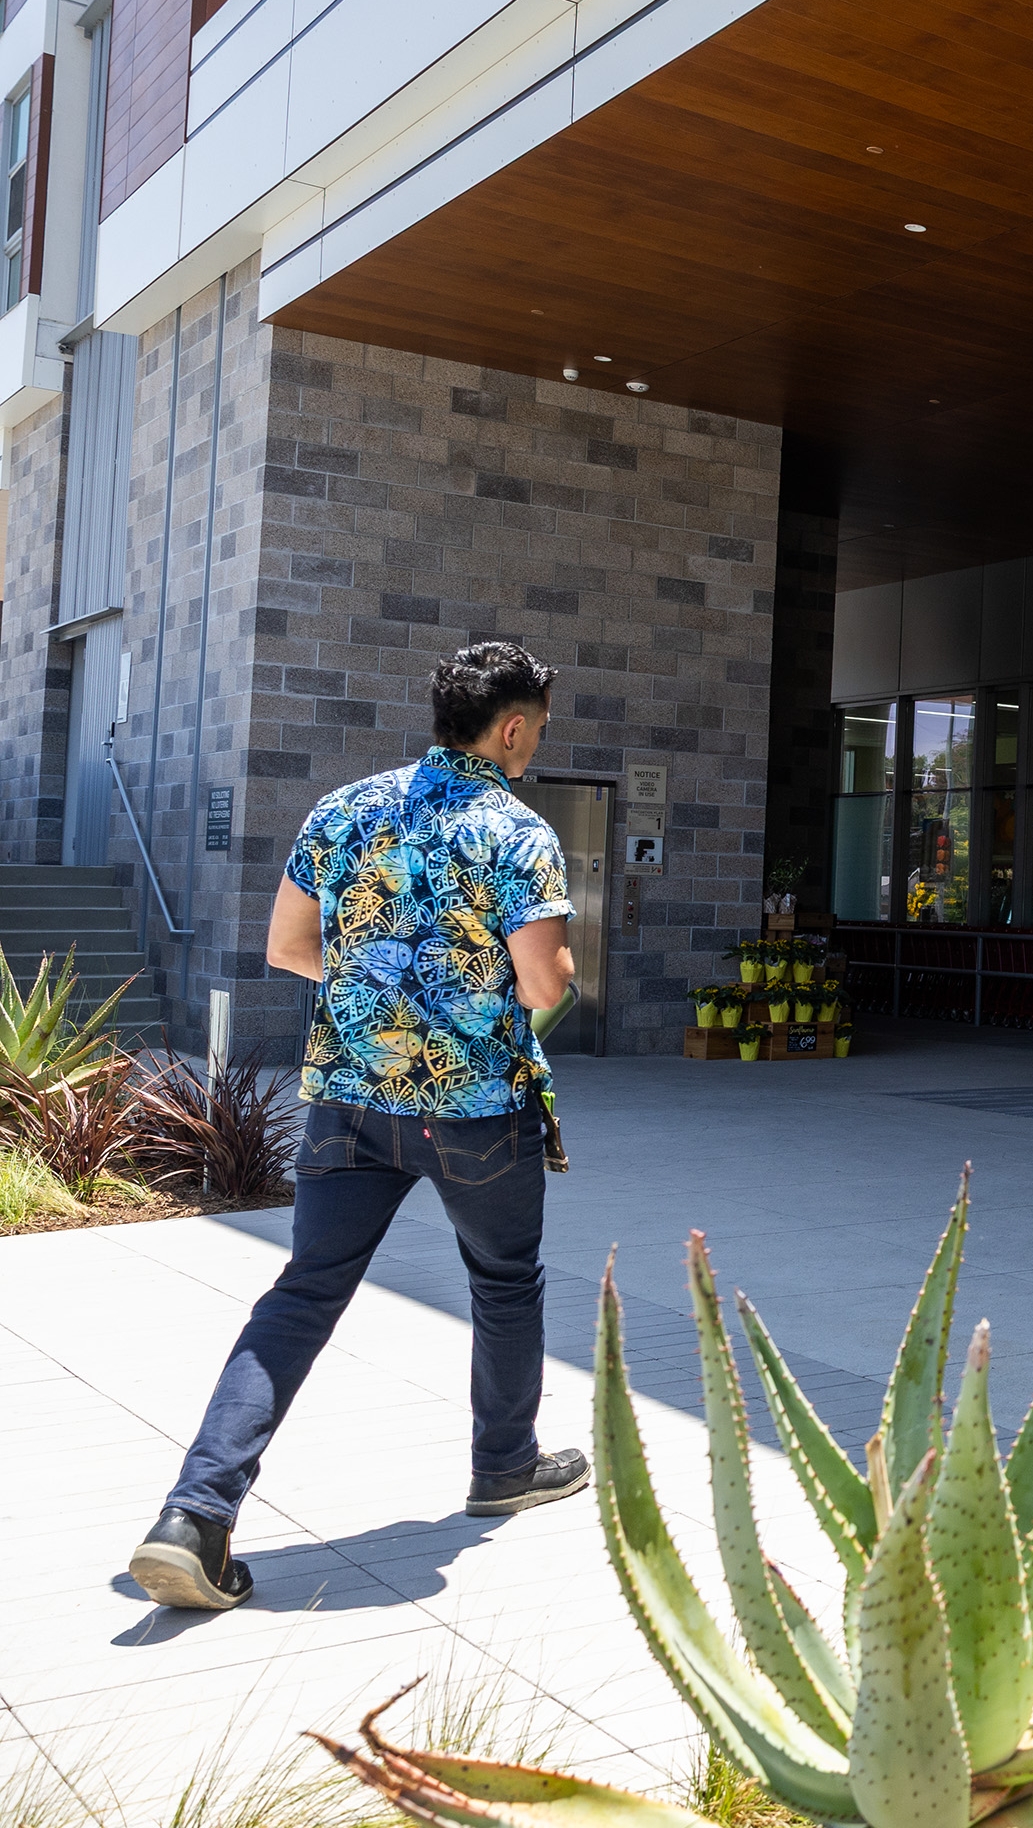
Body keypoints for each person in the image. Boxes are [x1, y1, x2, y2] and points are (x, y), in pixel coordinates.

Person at [127, 641, 591, 1611]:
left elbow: (290, 947)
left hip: (348, 1098)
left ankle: (195, 1513)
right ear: (511, 728)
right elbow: (545, 981)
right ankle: (504, 1463)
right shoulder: (517, 831)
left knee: (302, 1294)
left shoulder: (345, 809)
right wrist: (550, 981)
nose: (536, 744)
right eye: (537, 729)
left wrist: (383, 990)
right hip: (476, 1112)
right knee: (505, 1280)